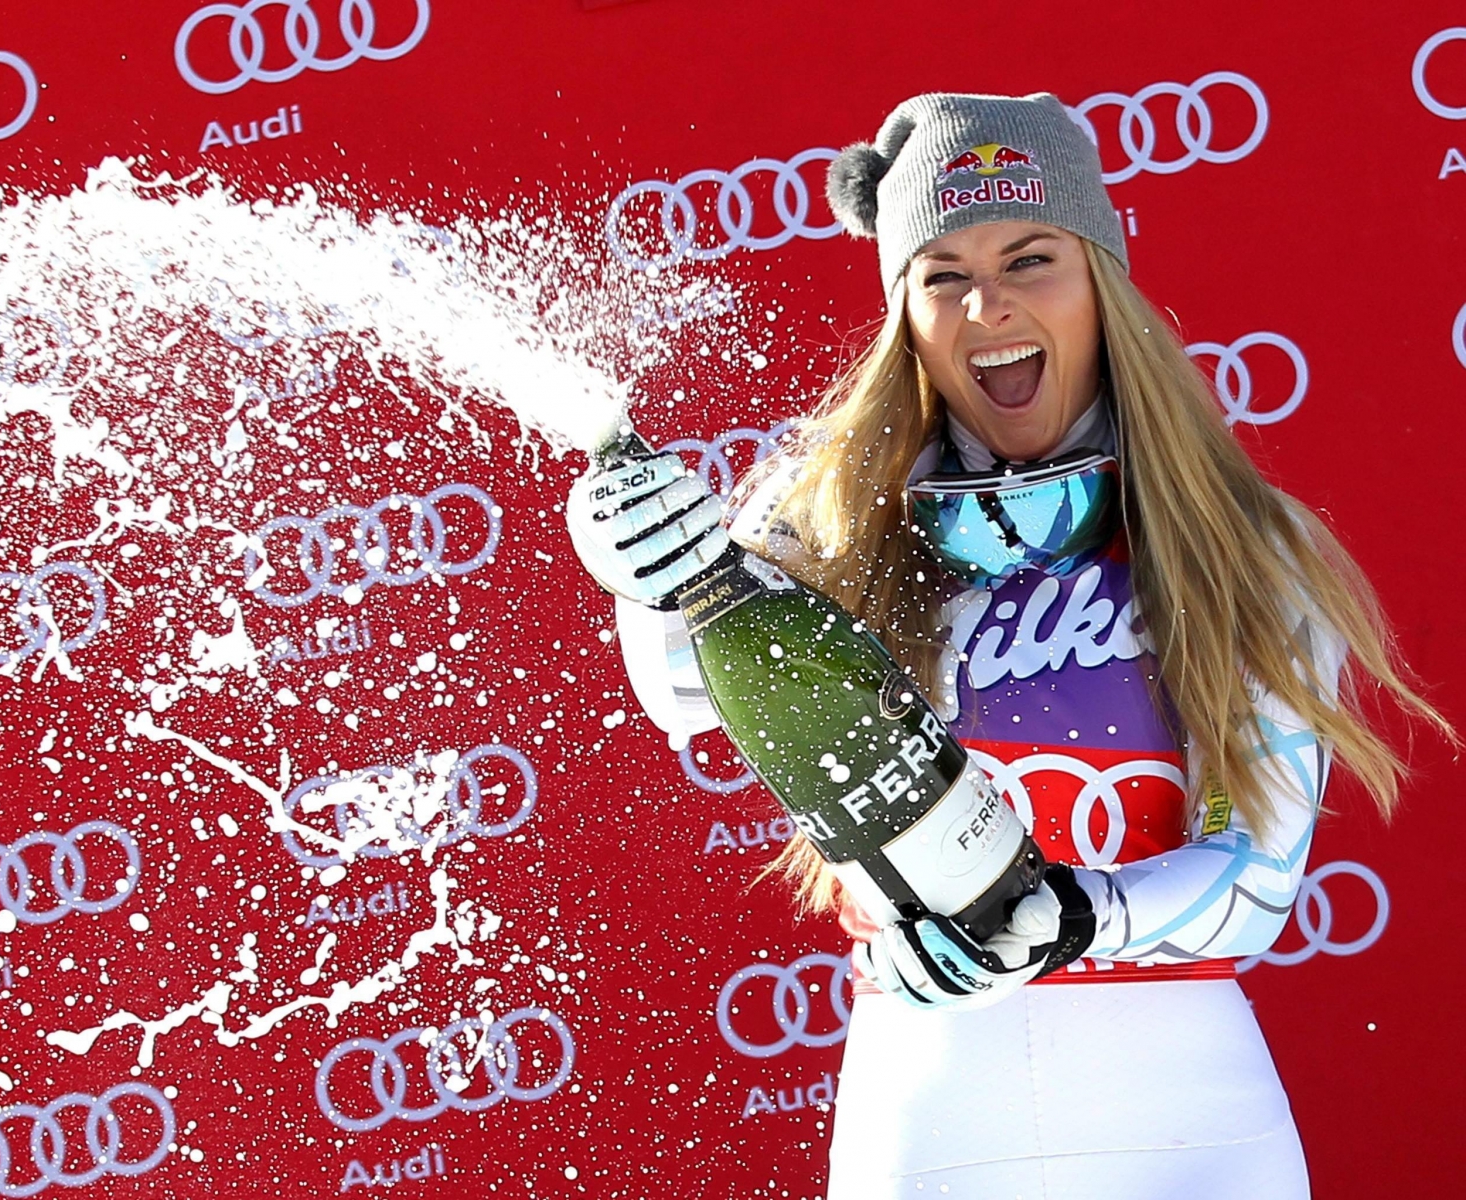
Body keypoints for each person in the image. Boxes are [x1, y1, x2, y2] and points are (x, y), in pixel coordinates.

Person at [566, 92, 1452, 1199]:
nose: (987, 303)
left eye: (1030, 257)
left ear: (1101, 284)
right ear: (906, 314)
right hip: (932, 1106)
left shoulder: (1238, 541)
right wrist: (642, 570)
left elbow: (1260, 878)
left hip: (1193, 1119)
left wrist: (1075, 915)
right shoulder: (832, 518)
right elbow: (684, 684)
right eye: (941, 274)